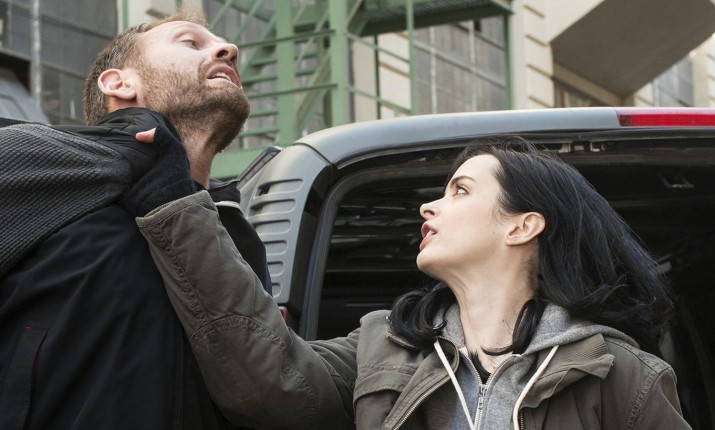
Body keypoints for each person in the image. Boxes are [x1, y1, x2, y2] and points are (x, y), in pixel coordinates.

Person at [127, 137, 690, 429]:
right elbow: (268, 382)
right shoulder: (381, 347)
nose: (428, 206)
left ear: (523, 226)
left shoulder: (620, 374)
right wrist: (177, 204)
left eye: (460, 191)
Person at [0, 8, 270, 429]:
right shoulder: (35, 164)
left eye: (225, 45)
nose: (229, 49)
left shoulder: (238, 236)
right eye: (190, 42)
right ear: (119, 83)